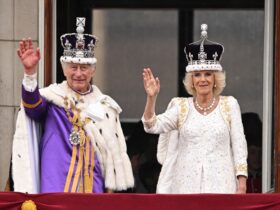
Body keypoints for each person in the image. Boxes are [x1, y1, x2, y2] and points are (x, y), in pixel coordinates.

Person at [11, 17, 134, 193]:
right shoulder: (53, 99)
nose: (78, 73)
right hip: (56, 186)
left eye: (84, 68)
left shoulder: (105, 106)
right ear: (64, 69)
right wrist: (30, 74)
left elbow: (111, 157)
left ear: (93, 71)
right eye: (73, 67)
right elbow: (33, 108)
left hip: (93, 187)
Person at [141, 24, 248, 194]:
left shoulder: (229, 105)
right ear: (191, 80)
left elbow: (239, 146)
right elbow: (151, 125)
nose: (202, 79)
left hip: (222, 186)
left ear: (215, 78)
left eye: (208, 74)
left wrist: (241, 183)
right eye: (197, 75)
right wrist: (151, 97)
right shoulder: (181, 106)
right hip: (185, 187)